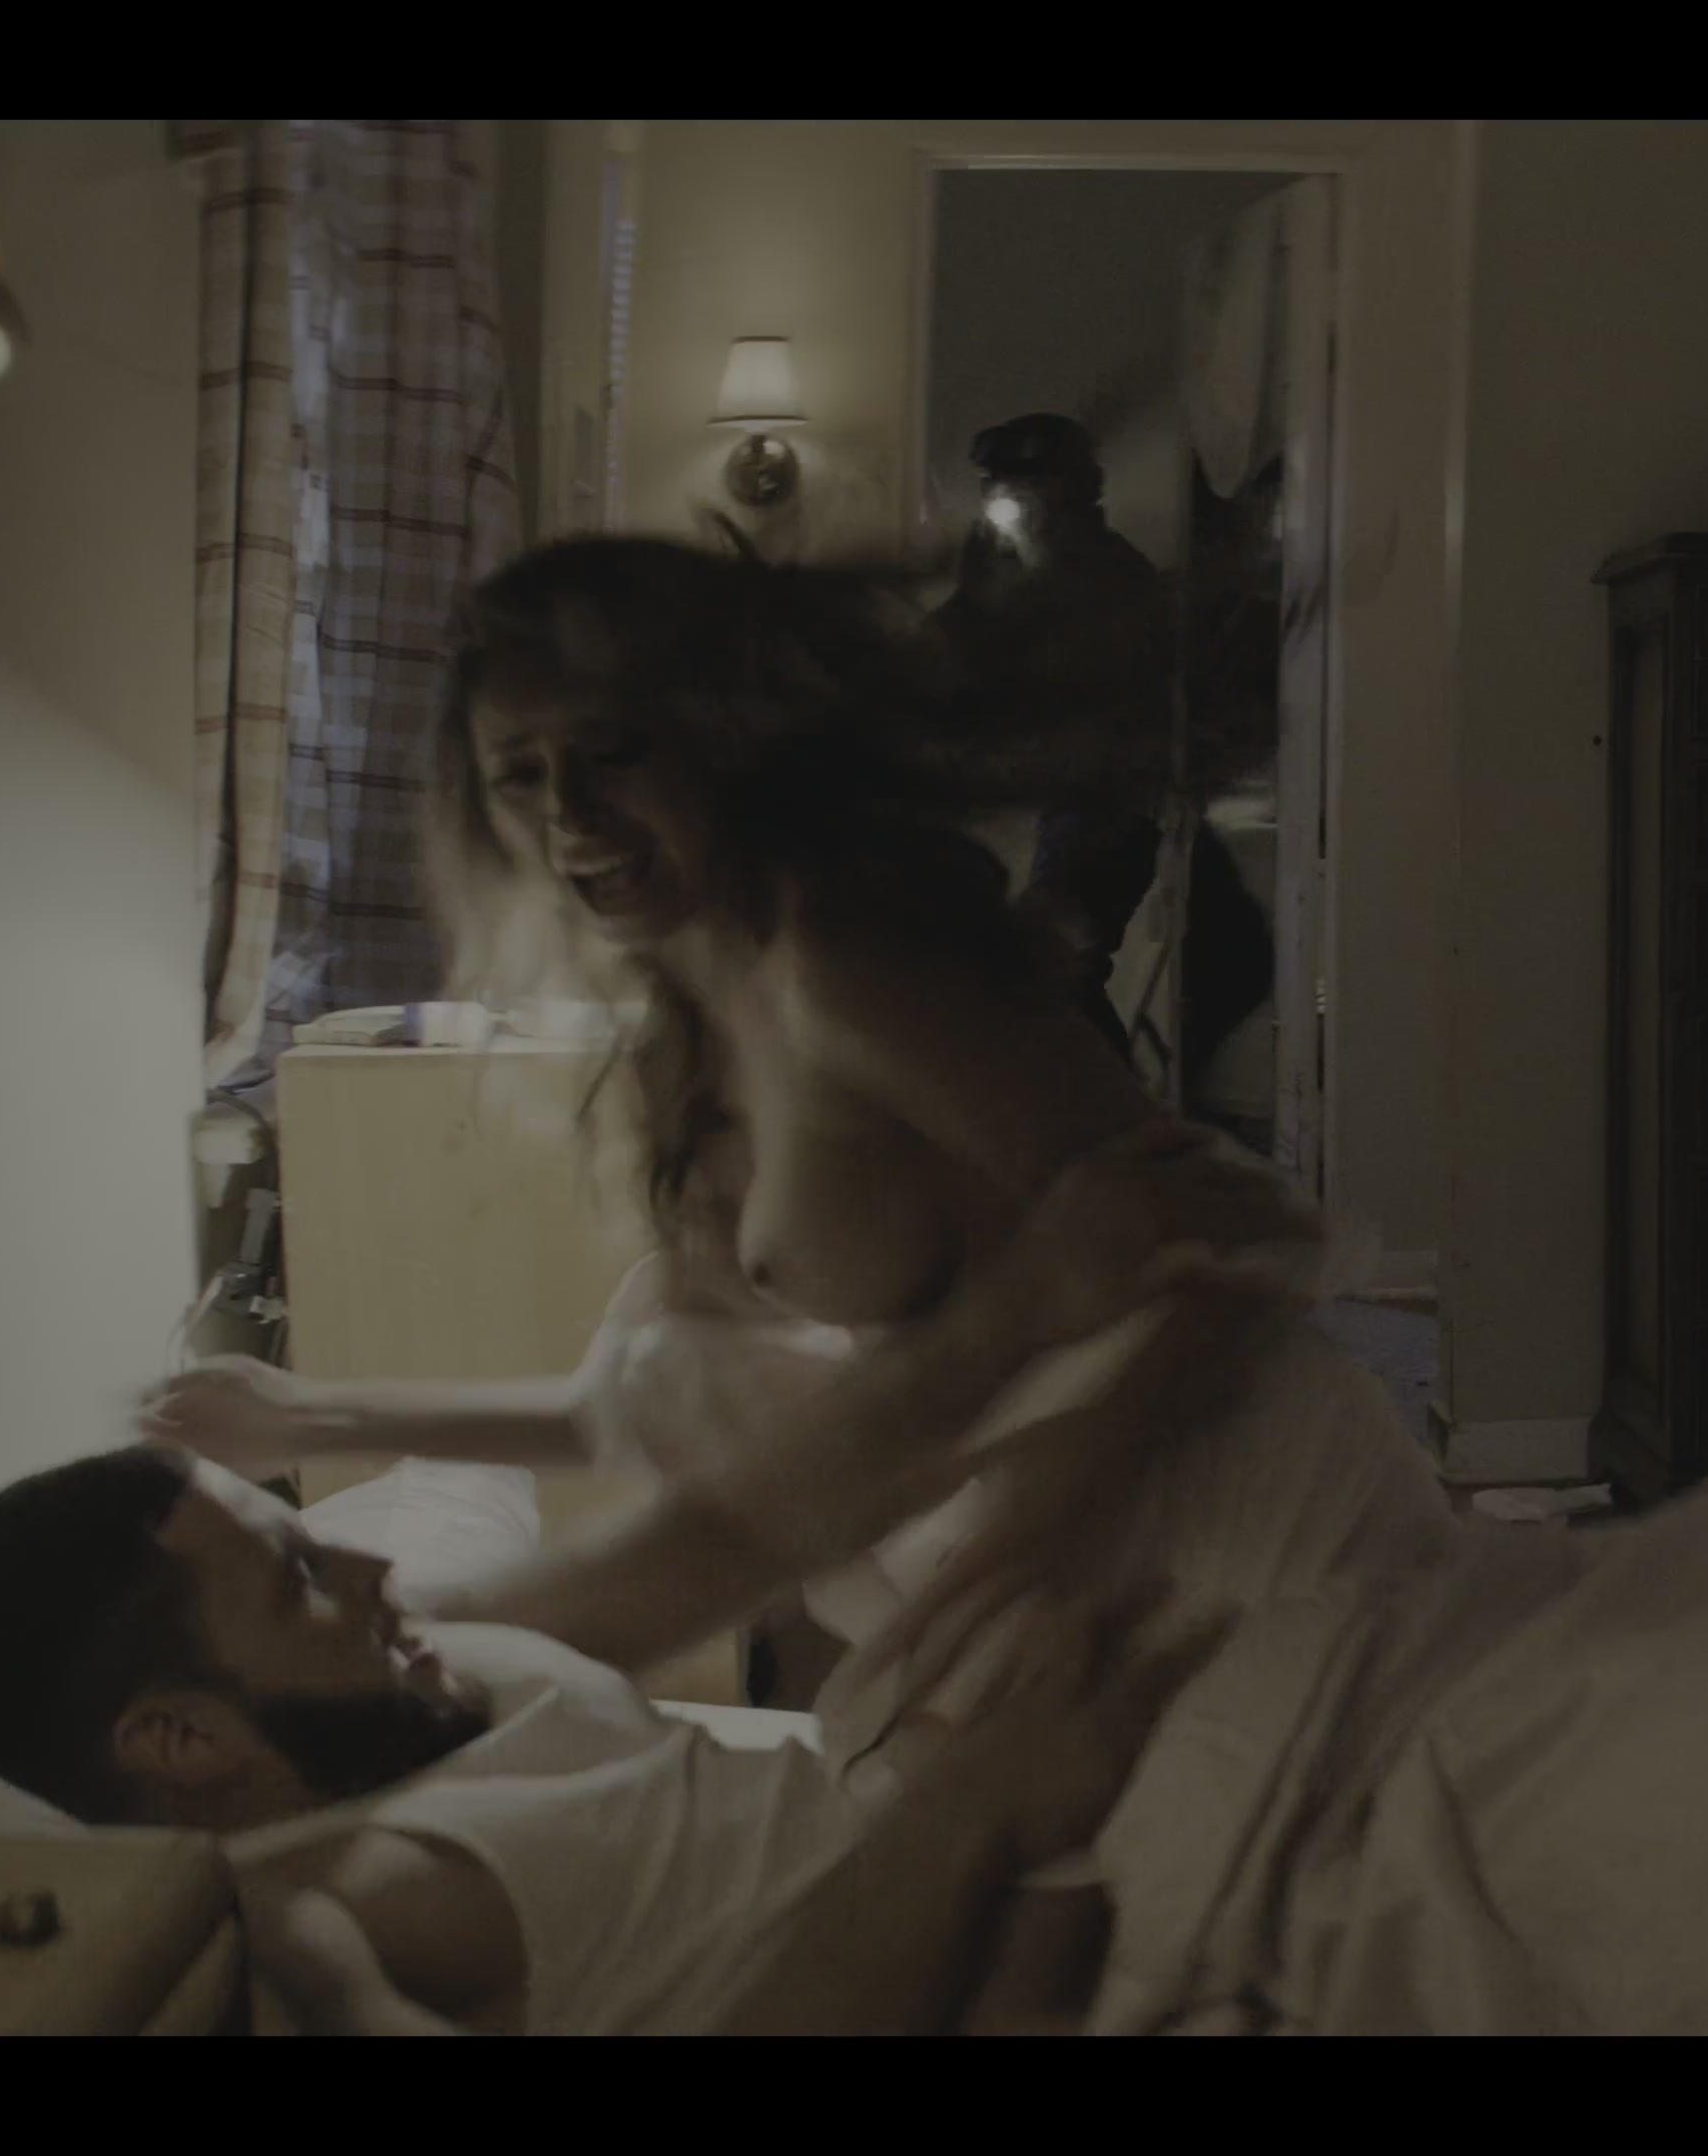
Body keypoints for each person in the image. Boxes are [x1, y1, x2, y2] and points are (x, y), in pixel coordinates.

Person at [143, 535, 1449, 1768]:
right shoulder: (680, 1021)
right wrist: (315, 1416)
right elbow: (663, 1409)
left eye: (612, 752)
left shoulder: (844, 959)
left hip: (1236, 1515)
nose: (569, 815)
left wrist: (1050, 1509)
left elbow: (1236, 1238)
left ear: (725, 738)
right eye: (519, 775)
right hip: (1071, 1589)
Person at [0, 1447, 1199, 2035]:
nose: (368, 1568)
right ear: (178, 1737)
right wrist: (985, 1813)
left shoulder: (405, 1690)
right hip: (1039, 1932)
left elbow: (711, 1548)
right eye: (297, 1577)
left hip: (1012, 1810)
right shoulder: (328, 1920)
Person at [931, 412, 1278, 1083]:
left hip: (1108, 809)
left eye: (1034, 486)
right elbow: (955, 642)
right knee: (1050, 969)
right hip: (1075, 802)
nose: (1018, 502)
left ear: (1074, 490)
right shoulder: (1006, 568)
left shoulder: (1105, 578)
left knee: (1052, 969)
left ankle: (1107, 1104)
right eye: (1004, 487)